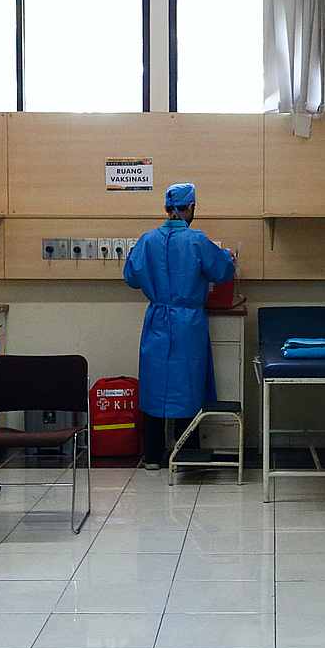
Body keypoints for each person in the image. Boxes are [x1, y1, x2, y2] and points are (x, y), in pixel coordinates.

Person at [124, 183, 235, 470]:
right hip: (188, 323)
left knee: (154, 384)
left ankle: (152, 456)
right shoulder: (197, 241)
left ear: (165, 208)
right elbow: (222, 271)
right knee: (189, 385)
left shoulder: (147, 241)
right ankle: (187, 455)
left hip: (157, 320)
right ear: (192, 207)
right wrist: (228, 256)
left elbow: (131, 276)